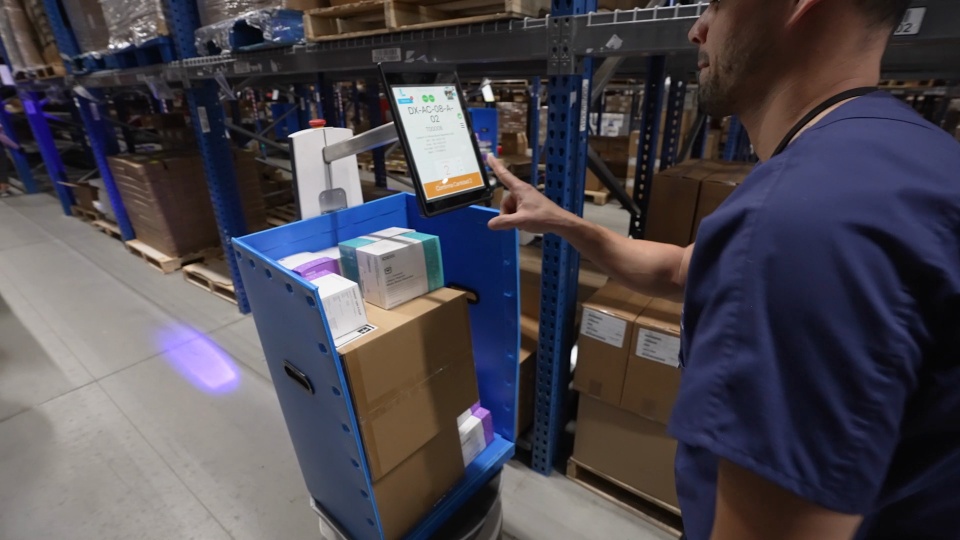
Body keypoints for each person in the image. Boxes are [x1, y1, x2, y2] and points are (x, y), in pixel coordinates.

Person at [486, 0, 960, 538]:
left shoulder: (803, 221)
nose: (697, 30)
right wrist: (563, 222)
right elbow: (681, 270)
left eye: (718, 3)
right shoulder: (905, 153)